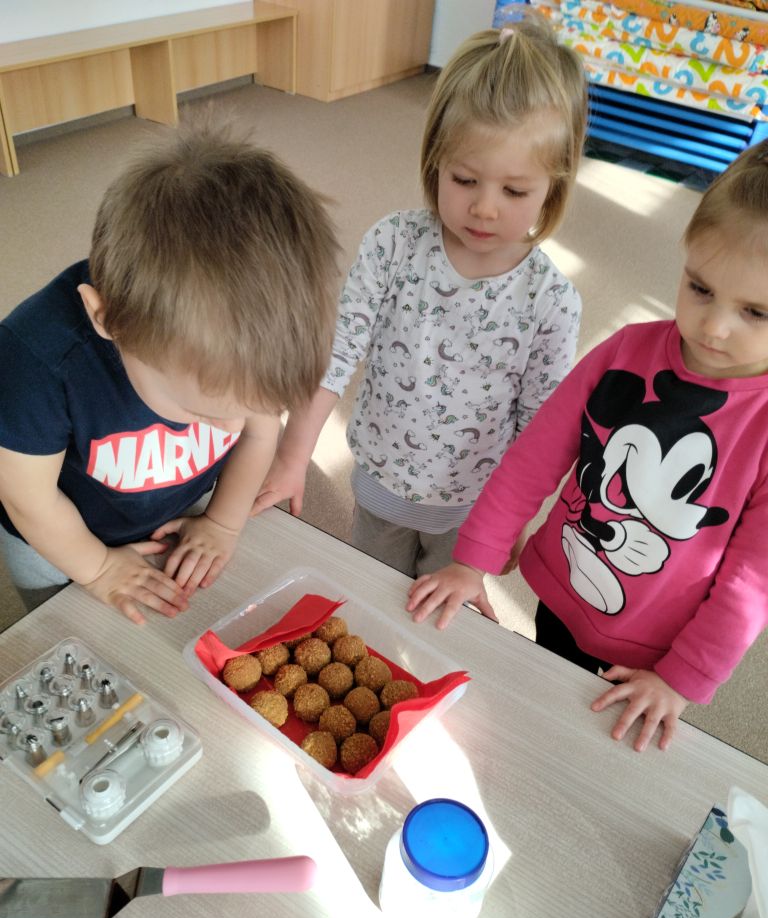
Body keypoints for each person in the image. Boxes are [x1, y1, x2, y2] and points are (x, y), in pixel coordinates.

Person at [408, 139, 768, 753]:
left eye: (756, 312)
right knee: (536, 712)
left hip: (654, 650)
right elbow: (533, 460)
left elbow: (749, 583)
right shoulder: (626, 349)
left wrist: (682, 679)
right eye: (700, 288)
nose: (714, 326)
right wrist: (474, 560)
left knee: (592, 749)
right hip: (562, 590)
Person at [252, 16, 588, 588]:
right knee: (369, 601)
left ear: (553, 187)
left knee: (436, 625)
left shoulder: (552, 302)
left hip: (474, 514)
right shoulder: (393, 244)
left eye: (514, 191)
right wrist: (291, 457)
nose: (484, 208)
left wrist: (513, 520)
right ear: (435, 161)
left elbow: (540, 432)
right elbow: (336, 355)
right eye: (464, 180)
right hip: (381, 485)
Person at [0, 123, 339, 624]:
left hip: (174, 505)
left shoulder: (245, 360)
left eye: (249, 408)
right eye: (201, 411)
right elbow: (28, 499)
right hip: (58, 539)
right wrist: (97, 569)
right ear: (108, 320)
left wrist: (222, 523)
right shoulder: (34, 362)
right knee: (64, 630)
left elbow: (258, 435)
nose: (232, 428)